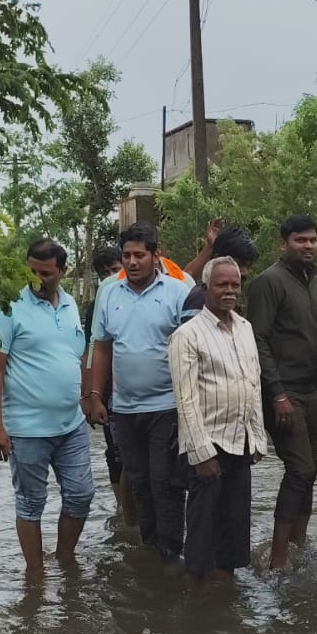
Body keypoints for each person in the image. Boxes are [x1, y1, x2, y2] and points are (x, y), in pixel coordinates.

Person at [0, 238, 94, 578]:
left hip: (71, 424)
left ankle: (64, 559)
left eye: (45, 273)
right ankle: (35, 574)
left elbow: (79, 357)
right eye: (30, 271)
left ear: (62, 271)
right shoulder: (8, 308)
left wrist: (90, 396)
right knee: (31, 503)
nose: (36, 279)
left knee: (80, 495)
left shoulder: (71, 305)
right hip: (27, 429)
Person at [85, 222, 194, 562]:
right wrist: (94, 395)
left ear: (155, 256)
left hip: (168, 407)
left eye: (139, 255)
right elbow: (102, 348)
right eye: (127, 256)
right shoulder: (109, 294)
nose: (132, 262)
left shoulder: (178, 293)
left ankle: (172, 554)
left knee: (167, 485)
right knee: (140, 484)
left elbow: (193, 349)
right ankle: (151, 551)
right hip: (125, 409)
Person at [168, 256, 266, 581]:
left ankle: (225, 597)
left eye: (235, 284)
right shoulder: (188, 335)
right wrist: (200, 453)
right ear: (205, 288)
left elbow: (253, 382)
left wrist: (256, 437)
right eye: (222, 284)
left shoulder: (245, 328)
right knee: (202, 530)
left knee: (235, 528)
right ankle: (197, 596)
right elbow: (186, 400)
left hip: (240, 443)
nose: (229, 291)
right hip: (208, 446)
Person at [247, 215, 317, 570]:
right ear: (283, 243)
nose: (308, 246)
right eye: (300, 240)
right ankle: (279, 556)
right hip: (283, 393)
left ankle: (300, 542)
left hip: (312, 390)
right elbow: (258, 339)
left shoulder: (314, 283)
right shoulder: (268, 282)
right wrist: (277, 394)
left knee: (311, 469)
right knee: (299, 469)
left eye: (312, 240)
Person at [84, 245, 124, 505]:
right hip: (109, 390)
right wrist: (89, 395)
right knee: (116, 452)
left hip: (139, 389)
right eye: (105, 272)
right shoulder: (95, 307)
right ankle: (122, 509)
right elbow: (91, 349)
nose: (110, 277)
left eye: (114, 270)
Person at [184, 225, 259, 311]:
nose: (245, 272)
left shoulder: (229, 301)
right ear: (217, 259)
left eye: (249, 266)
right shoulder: (201, 299)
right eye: (239, 264)